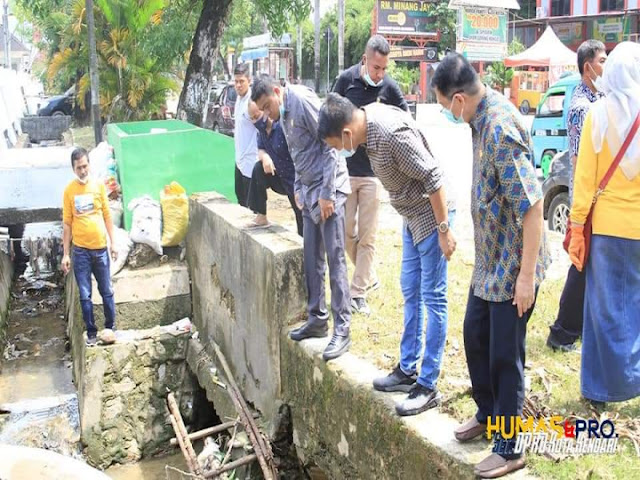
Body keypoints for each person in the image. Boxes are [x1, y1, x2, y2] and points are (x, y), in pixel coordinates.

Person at [433, 53, 550, 479]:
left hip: (513, 268)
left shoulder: (499, 129)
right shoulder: (479, 118)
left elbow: (534, 207)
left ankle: (509, 445)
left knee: (505, 357)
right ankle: (487, 414)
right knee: (475, 336)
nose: (449, 113)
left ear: (460, 98)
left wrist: (525, 277)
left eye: (447, 105)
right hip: (489, 264)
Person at [318, 93, 456, 416]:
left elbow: (433, 177)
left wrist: (445, 229)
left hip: (433, 216)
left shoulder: (390, 134)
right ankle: (407, 371)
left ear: (347, 134)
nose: (340, 153)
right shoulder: (366, 129)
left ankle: (428, 384)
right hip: (412, 216)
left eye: (337, 146)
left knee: (433, 298)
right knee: (410, 290)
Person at [251, 76, 352, 361]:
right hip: (307, 192)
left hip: (327, 190)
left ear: (276, 91)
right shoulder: (281, 112)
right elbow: (296, 152)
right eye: (262, 109)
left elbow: (330, 143)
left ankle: (342, 328)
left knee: (335, 258)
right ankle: (317, 318)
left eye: (267, 105)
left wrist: (328, 193)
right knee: (312, 258)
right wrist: (297, 188)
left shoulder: (301, 100)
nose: (267, 113)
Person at [569, 41, 640, 408]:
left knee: (602, 309)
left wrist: (577, 227)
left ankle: (601, 388)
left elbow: (584, 181)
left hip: (609, 230)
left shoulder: (598, 114)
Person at [332, 34, 408, 315]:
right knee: (345, 231)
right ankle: (369, 275)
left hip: (374, 174)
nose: (381, 73)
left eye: (385, 68)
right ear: (365, 60)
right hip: (345, 169)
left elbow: (405, 119)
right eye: (376, 67)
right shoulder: (345, 80)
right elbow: (331, 112)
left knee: (368, 235)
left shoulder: (389, 87)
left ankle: (358, 292)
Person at [546, 40, 606, 353]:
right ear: (588, 67)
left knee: (589, 264)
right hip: (589, 198)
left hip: (592, 198)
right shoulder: (585, 108)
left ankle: (573, 329)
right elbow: (586, 162)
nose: (605, 67)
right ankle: (563, 332)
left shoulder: (595, 100)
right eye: (602, 61)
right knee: (581, 264)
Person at [61, 148, 118, 347]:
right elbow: (67, 224)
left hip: (101, 248)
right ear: (73, 169)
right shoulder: (69, 191)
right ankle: (92, 332)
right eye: (79, 168)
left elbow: (107, 216)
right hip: (80, 251)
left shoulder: (98, 186)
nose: (83, 171)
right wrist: (66, 254)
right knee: (85, 295)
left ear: (89, 165)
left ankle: (111, 327)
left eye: (85, 166)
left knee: (107, 291)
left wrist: (113, 243)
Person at [245, 100, 303, 236]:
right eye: (252, 118)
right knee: (258, 168)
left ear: (265, 111)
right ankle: (261, 215)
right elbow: (260, 149)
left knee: (302, 219)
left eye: (257, 115)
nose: (256, 121)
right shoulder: (261, 132)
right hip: (278, 177)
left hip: (295, 181)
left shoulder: (282, 127)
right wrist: (265, 157)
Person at [233, 63, 257, 207]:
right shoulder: (238, 100)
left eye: (241, 81)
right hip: (239, 160)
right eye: (236, 81)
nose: (238, 85)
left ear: (249, 80)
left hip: (251, 162)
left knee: (251, 206)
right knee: (240, 201)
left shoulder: (252, 102)